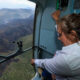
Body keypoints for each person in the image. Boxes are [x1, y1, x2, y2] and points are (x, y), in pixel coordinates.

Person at [31, 10, 80, 80]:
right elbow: (62, 28)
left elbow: (46, 63)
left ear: (72, 35)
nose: (58, 38)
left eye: (60, 35)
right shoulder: (75, 36)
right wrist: (57, 19)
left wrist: (34, 61)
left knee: (48, 74)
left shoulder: (67, 59)